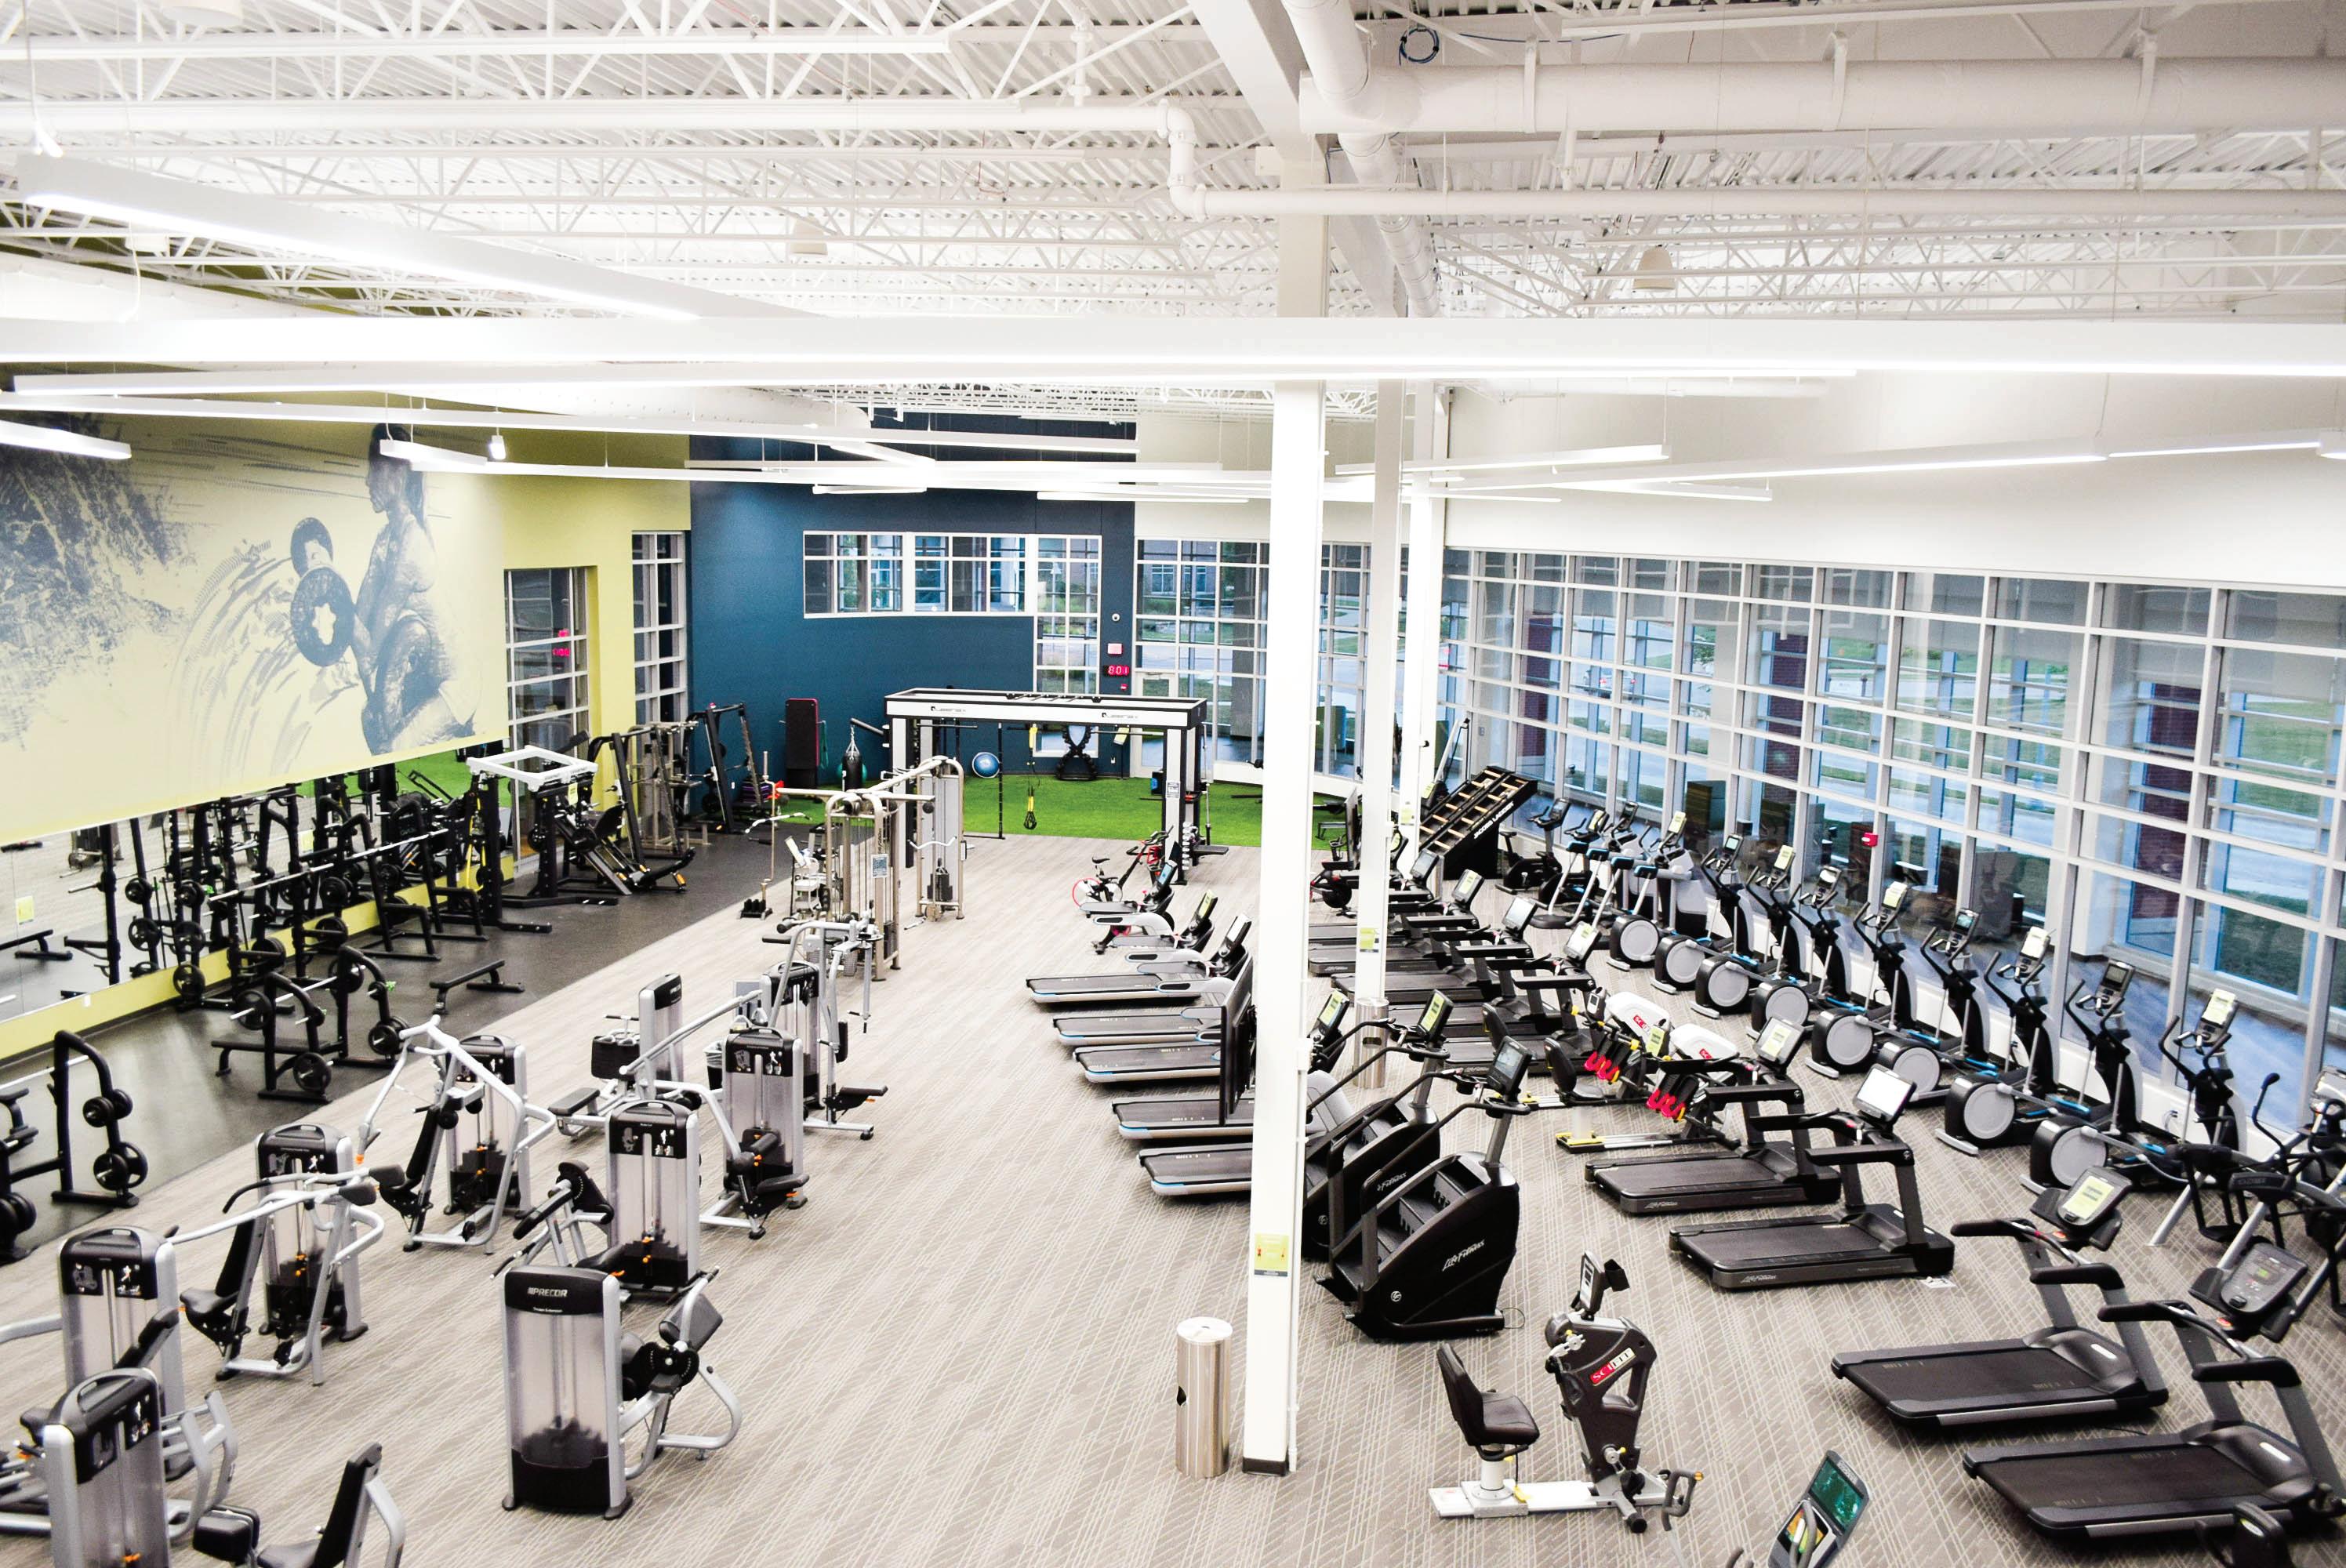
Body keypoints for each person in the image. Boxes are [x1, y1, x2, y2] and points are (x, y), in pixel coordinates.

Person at [351, 425, 469, 752]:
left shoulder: (412, 545)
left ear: (399, 476)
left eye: (375, 471)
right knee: (370, 721)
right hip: (425, 680)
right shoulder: (385, 541)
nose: (368, 481)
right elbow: (359, 622)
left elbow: (370, 646)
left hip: (455, 685)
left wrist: (341, 614)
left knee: (395, 748)